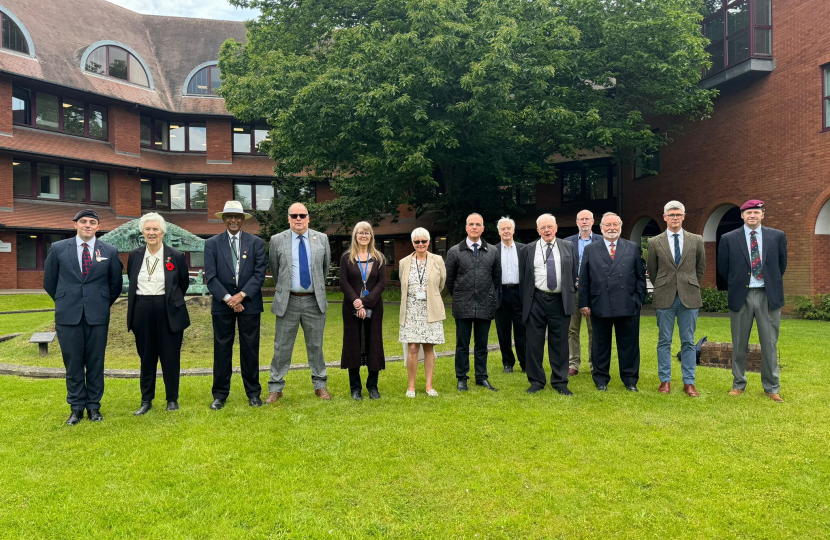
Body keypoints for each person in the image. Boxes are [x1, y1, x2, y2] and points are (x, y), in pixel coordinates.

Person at [44, 209, 123, 425]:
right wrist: (65, 300)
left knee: (96, 362)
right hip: (68, 315)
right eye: (83, 221)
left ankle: (94, 408)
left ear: (98, 227)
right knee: (73, 363)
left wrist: (98, 302)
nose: (87, 225)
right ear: (76, 225)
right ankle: (76, 408)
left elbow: (115, 284)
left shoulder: (110, 250)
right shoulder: (59, 248)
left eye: (92, 222)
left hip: (97, 316)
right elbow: (49, 281)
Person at [717, 199, 787, 403]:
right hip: (741, 295)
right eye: (748, 213)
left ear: (762, 214)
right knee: (739, 342)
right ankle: (738, 384)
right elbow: (724, 268)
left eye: (756, 212)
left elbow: (781, 265)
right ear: (742, 216)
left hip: (768, 295)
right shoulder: (729, 238)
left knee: (770, 343)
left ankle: (772, 387)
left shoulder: (777, 236)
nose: (752, 216)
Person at [204, 200, 267, 410]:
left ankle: (253, 393)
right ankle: (220, 395)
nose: (233, 220)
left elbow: (259, 275)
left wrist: (241, 296)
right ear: (223, 219)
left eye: (237, 217)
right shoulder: (212, 244)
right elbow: (211, 278)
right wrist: (230, 300)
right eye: (229, 216)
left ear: (243, 220)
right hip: (223, 305)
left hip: (249, 303)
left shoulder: (256, 243)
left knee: (250, 349)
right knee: (222, 350)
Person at [266, 202, 332, 402]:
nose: (298, 219)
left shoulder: (321, 239)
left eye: (302, 215)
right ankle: (276, 387)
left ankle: (320, 385)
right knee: (281, 347)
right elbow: (276, 270)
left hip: (314, 301)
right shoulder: (277, 240)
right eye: (294, 215)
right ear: (288, 218)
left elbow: (325, 268)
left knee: (316, 346)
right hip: (288, 301)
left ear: (308, 218)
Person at [127, 213, 191, 416]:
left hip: (168, 310)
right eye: (148, 229)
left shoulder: (176, 256)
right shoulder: (135, 255)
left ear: (163, 232)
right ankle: (146, 400)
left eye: (155, 229)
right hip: (142, 309)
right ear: (142, 232)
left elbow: (183, 284)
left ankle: (172, 399)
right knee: (146, 357)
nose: (151, 233)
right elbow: (132, 278)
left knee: (170, 357)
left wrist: (170, 301)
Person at [578, 212, 647, 392]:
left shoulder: (632, 248)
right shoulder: (591, 249)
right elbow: (584, 279)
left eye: (615, 224)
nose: (612, 228)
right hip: (599, 304)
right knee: (600, 345)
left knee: (629, 345)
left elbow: (640, 277)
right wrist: (584, 303)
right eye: (608, 225)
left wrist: (638, 300)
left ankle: (630, 380)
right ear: (601, 228)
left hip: (628, 305)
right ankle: (601, 379)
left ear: (620, 227)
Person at [647, 201, 706, 397]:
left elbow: (700, 268)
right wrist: (664, 285)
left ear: (683, 216)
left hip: (689, 296)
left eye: (678, 214)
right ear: (664, 217)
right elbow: (653, 271)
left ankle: (689, 382)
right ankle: (665, 381)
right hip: (665, 297)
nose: (674, 218)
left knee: (688, 341)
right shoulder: (654, 242)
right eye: (671, 214)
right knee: (664, 340)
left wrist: (688, 284)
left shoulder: (696, 240)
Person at [520, 214, 578, 395]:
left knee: (560, 342)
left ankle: (560, 382)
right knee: (534, 343)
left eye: (550, 227)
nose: (547, 230)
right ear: (538, 230)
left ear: (556, 227)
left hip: (560, 300)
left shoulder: (568, 247)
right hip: (536, 300)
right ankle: (536, 381)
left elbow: (573, 272)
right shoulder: (528, 250)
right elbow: (524, 278)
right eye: (543, 228)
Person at [445, 213, 501, 392]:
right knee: (462, 344)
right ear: (466, 228)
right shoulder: (455, 251)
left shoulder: (492, 251)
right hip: (463, 304)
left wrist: (489, 295)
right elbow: (450, 280)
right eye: (471, 224)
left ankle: (481, 377)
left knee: (482, 344)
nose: (475, 227)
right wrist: (461, 295)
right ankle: (462, 377)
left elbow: (496, 278)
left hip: (485, 303)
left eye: (478, 224)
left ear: (483, 228)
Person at [340, 222, 387, 400]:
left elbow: (382, 283)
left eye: (367, 233)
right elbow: (343, 282)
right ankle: (355, 388)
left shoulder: (379, 258)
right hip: (351, 308)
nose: (364, 236)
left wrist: (365, 303)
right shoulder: (346, 258)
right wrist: (356, 302)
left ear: (371, 236)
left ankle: (373, 386)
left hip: (374, 308)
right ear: (355, 235)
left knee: (373, 344)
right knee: (354, 344)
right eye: (360, 233)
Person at [399, 228, 447, 397]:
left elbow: (441, 284)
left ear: (429, 242)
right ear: (413, 243)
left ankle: (429, 386)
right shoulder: (404, 262)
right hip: (411, 309)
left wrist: (430, 296)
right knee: (412, 347)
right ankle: (411, 386)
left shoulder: (438, 260)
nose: (421, 244)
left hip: (430, 309)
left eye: (424, 241)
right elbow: (402, 284)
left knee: (428, 347)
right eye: (417, 241)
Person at [564, 209, 603, 376]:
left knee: (594, 329)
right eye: (581, 219)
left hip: (594, 292)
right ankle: (573, 363)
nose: (585, 222)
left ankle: (594, 363)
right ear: (577, 222)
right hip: (573, 291)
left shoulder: (602, 241)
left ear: (593, 221)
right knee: (572, 329)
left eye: (587, 219)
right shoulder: (567, 242)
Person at [494, 217, 526, 373]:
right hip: (501, 294)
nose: (506, 231)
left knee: (522, 330)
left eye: (508, 228)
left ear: (513, 230)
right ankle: (507, 362)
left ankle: (525, 362)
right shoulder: (493, 251)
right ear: (499, 231)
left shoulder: (524, 249)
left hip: (519, 293)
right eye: (503, 229)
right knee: (503, 331)